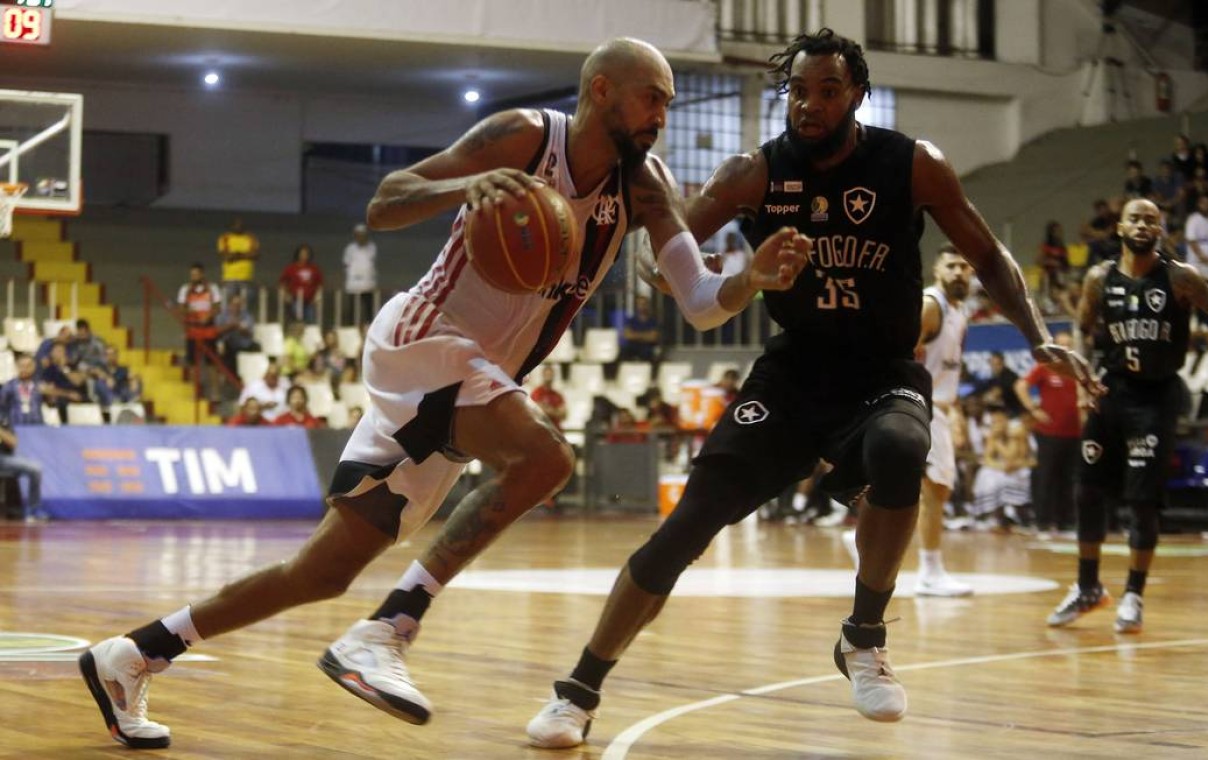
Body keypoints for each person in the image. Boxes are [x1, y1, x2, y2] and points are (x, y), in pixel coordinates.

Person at [78, 37, 806, 750]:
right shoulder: (522, 137)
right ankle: (387, 629)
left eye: (670, 104)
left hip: (476, 381)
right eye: (652, 98)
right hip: (425, 339)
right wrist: (465, 186)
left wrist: (752, 281)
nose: (661, 115)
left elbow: (702, 302)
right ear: (601, 90)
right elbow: (385, 203)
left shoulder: (644, 185)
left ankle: (134, 654)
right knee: (546, 460)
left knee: (323, 571)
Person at [525, 29, 1098, 748]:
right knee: (686, 525)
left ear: (855, 94)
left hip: (882, 374)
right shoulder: (751, 175)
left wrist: (1035, 331)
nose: (809, 103)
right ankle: (577, 692)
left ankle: (862, 637)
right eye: (798, 90)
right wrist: (746, 278)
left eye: (827, 90)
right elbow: (650, 262)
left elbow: (984, 253)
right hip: (794, 373)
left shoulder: (912, 164)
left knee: (898, 448)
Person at [1047, 198, 1208, 635]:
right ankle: (1087, 588)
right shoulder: (1100, 278)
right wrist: (1083, 374)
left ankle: (1134, 594)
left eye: (1151, 220)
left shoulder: (1179, 277)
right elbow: (1082, 326)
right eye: (1135, 218)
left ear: (1160, 229)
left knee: (1141, 501)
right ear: (1119, 227)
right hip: (1111, 390)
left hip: (1156, 397)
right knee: (1087, 492)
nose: (1142, 225)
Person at [911, 244, 975, 595]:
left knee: (918, 490)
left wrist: (957, 412)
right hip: (924, 405)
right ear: (937, 270)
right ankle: (930, 573)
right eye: (951, 265)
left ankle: (859, 538)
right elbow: (899, 353)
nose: (958, 272)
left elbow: (950, 370)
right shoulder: (930, 306)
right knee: (936, 489)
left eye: (965, 267)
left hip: (941, 406)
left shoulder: (960, 311)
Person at [1015, 331, 1082, 535]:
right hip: (1048, 433)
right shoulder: (1045, 367)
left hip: (1074, 433)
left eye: (1068, 345)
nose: (1065, 349)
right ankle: (1043, 522)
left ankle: (1066, 522)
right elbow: (1021, 386)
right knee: (1046, 477)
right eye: (1061, 345)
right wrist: (1034, 410)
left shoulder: (1077, 368)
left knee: (1068, 478)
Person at [176, 262, 222, 369]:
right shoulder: (185, 289)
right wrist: (190, 312)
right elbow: (181, 308)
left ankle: (214, 386)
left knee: (211, 360)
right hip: (192, 326)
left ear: (202, 274)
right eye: (192, 275)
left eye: (196, 274)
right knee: (191, 359)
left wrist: (208, 316)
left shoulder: (212, 288)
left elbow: (217, 307)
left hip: (208, 326)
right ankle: (194, 385)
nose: (194, 277)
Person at [216, 217, 259, 308]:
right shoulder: (225, 238)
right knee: (226, 306)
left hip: (246, 278)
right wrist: (245, 255)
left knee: (244, 306)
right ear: (231, 226)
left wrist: (236, 254)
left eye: (241, 224)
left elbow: (255, 255)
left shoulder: (251, 238)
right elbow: (226, 257)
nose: (238, 226)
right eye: (236, 224)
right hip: (229, 279)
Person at [279, 243, 324, 325]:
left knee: (311, 323)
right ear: (298, 254)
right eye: (302, 254)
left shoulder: (314, 269)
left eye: (306, 254)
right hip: (295, 300)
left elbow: (319, 284)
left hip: (310, 302)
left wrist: (317, 297)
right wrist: (286, 295)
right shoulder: (291, 268)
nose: (304, 256)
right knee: (297, 321)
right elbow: (282, 283)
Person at [343, 223, 378, 325]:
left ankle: (369, 325)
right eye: (359, 235)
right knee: (353, 308)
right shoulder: (350, 248)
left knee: (368, 308)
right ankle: (351, 326)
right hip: (354, 283)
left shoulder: (372, 247)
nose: (361, 237)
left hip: (368, 284)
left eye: (363, 234)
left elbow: (371, 263)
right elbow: (346, 264)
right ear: (356, 235)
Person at [618, 294, 661, 365]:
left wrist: (635, 335)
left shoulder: (653, 321)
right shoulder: (631, 320)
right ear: (636, 306)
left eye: (644, 304)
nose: (642, 306)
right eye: (640, 304)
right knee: (623, 352)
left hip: (648, 349)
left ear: (648, 305)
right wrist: (645, 335)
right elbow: (627, 335)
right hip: (633, 348)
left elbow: (653, 337)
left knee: (648, 353)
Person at [529, 364, 567, 429]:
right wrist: (556, 410)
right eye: (547, 375)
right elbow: (539, 411)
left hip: (556, 431)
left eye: (551, 375)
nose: (549, 377)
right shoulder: (537, 392)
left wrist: (548, 409)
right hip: (542, 431)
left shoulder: (557, 395)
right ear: (543, 375)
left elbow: (564, 414)